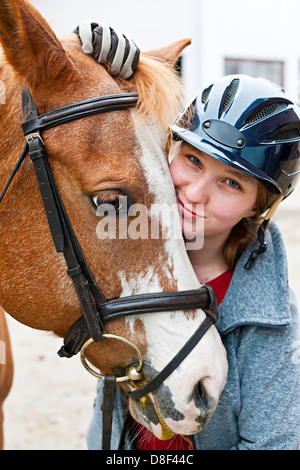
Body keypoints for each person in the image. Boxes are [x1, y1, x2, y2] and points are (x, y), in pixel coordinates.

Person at [77, 23, 300, 450]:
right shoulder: (129, 246)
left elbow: (274, 442)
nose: (195, 194)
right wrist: (104, 73)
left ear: (259, 205)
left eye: (231, 183)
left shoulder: (270, 317)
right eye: (193, 160)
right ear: (170, 150)